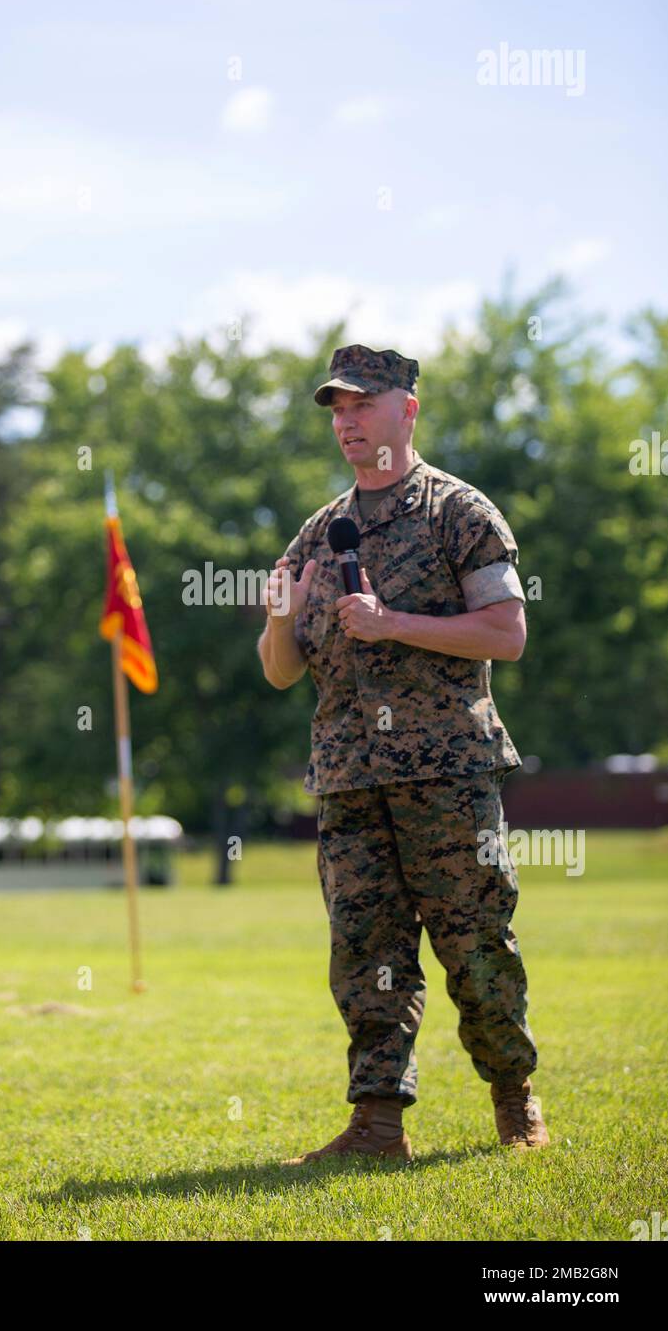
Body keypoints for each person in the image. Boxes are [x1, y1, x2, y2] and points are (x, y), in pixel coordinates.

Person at [258, 344, 549, 1165]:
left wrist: (392, 623)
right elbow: (280, 670)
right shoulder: (320, 531)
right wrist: (282, 614)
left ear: (406, 410)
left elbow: (507, 634)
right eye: (337, 410)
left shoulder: (459, 512)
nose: (347, 422)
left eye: (362, 405)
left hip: (448, 775)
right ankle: (378, 1125)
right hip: (350, 781)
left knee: (476, 942)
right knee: (365, 955)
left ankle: (514, 1102)